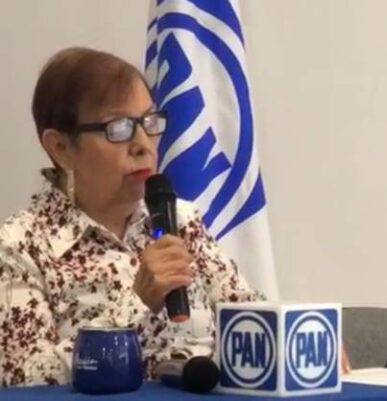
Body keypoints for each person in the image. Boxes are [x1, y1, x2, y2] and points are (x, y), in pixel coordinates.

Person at [0, 47, 265, 387]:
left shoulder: (179, 220)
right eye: (119, 128)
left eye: (149, 122)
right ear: (60, 148)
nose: (144, 144)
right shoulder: (19, 246)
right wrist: (135, 306)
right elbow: (19, 377)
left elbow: (248, 317)